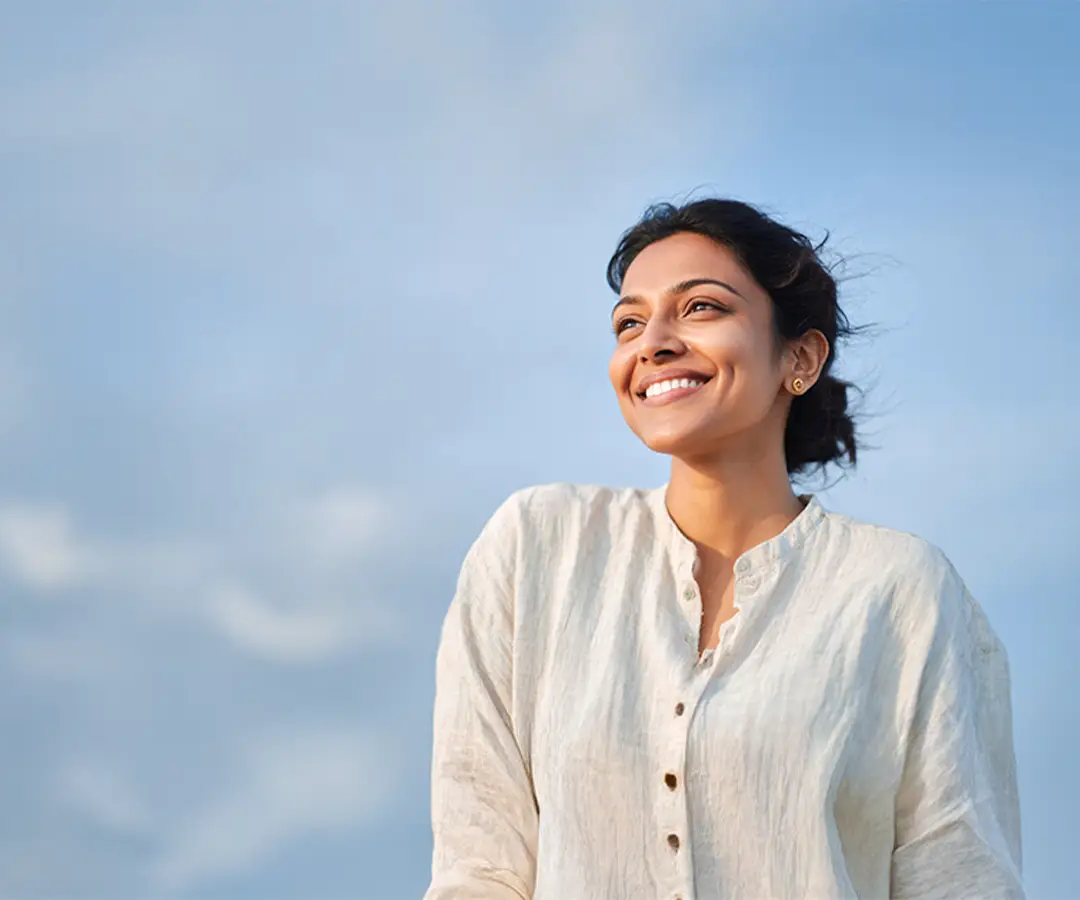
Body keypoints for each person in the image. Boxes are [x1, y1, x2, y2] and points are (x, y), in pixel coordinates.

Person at [422, 197, 1024, 900]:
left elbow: (958, 876)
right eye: (630, 322)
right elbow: (479, 868)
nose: (654, 342)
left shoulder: (900, 590)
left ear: (799, 358)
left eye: (701, 307)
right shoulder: (536, 549)